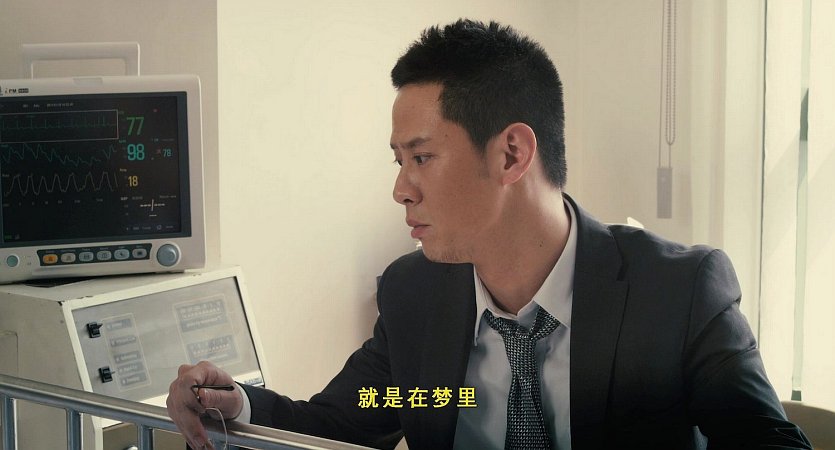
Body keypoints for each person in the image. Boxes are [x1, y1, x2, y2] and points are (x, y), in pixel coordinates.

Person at [167, 19, 811, 450]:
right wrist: (236, 406)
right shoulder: (415, 294)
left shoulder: (677, 293)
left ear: (511, 155)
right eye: (399, 161)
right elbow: (349, 417)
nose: (401, 189)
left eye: (422, 157)